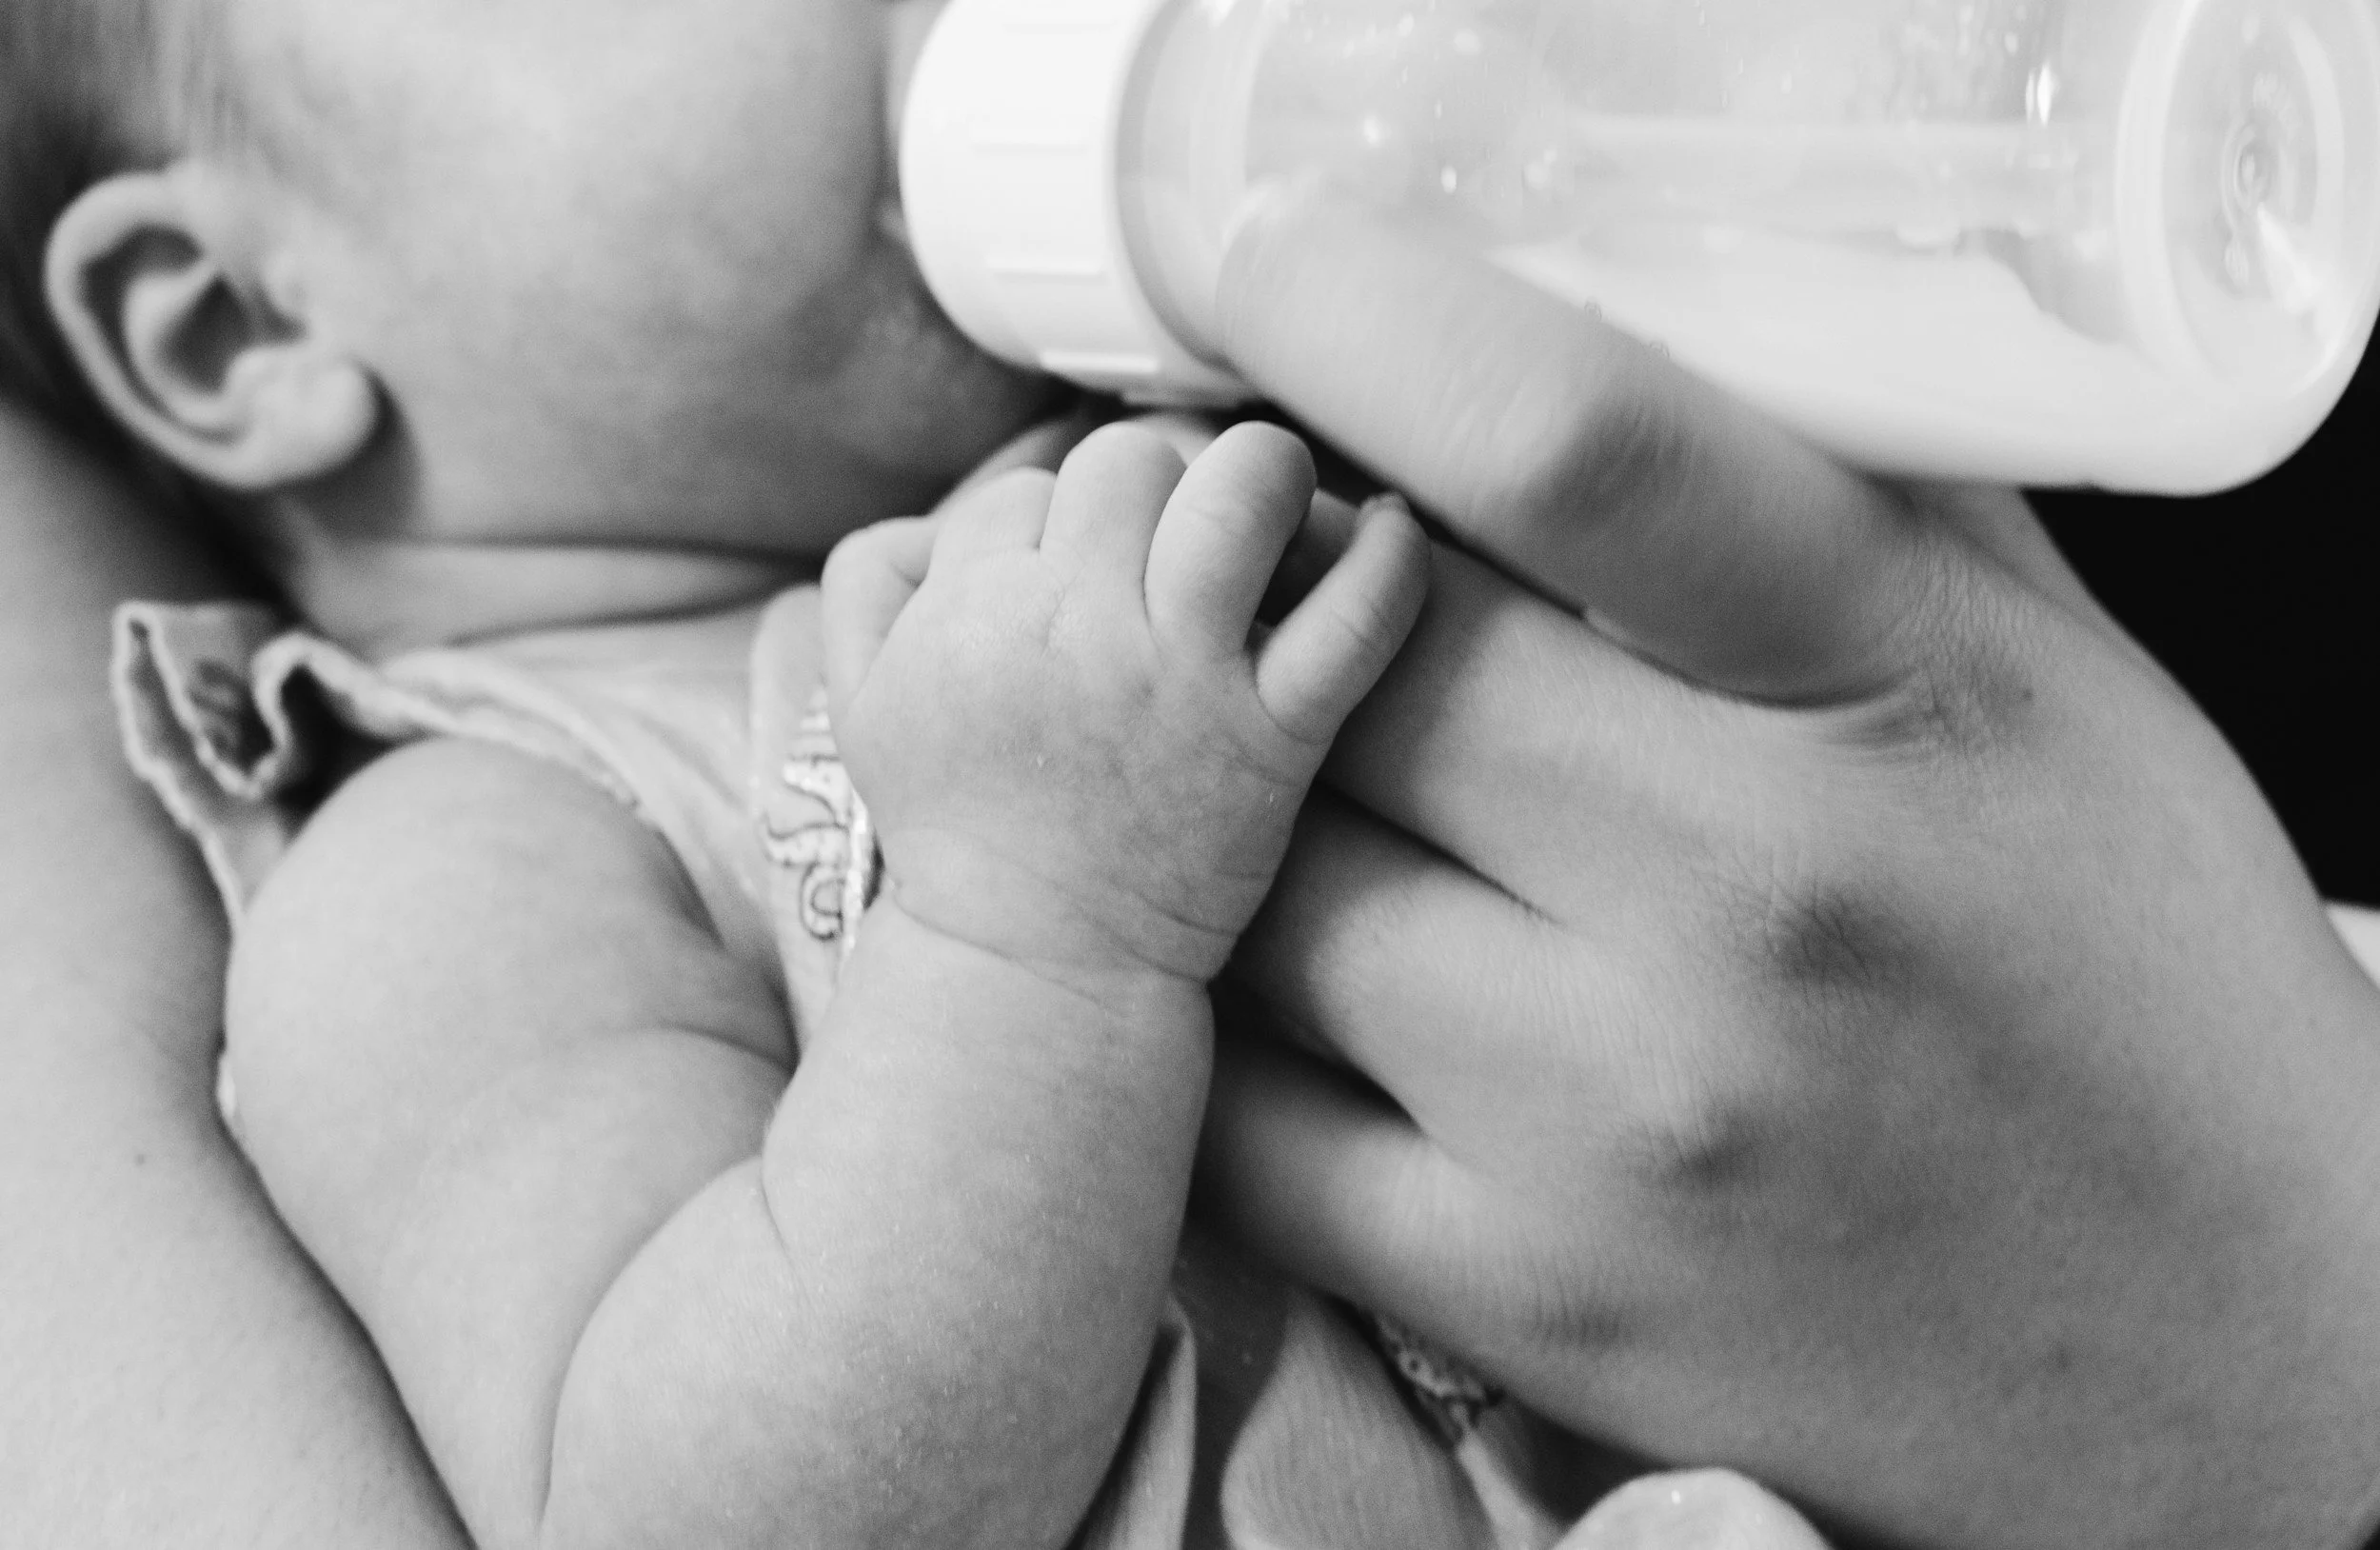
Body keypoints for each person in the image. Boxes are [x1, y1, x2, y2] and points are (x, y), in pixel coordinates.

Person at [7, 10, 2380, 1550]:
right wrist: (1028, 938)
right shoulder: (467, 855)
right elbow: (686, 1513)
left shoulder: (1219, 442)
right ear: (237, 330)